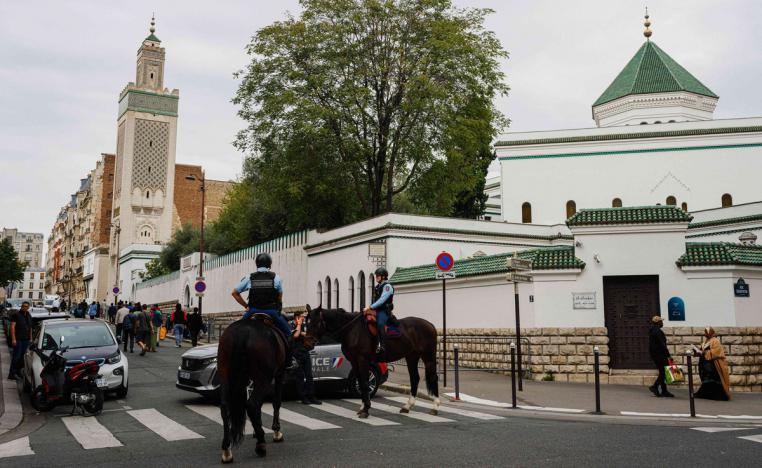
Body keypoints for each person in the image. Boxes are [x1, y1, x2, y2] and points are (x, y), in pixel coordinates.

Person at [231, 252, 294, 367]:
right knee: (288, 333)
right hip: (271, 312)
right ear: (269, 264)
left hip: (253, 311)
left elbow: (234, 293)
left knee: (236, 332)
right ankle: (289, 361)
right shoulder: (276, 278)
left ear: (257, 264)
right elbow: (279, 297)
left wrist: (246, 305)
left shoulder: (249, 278)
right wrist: (278, 307)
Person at [291, 310, 321, 405]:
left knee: (309, 375)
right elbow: (295, 335)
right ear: (297, 318)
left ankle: (311, 396)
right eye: (301, 317)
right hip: (296, 354)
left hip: (305, 352)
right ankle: (303, 397)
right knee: (300, 376)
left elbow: (308, 335)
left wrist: (302, 331)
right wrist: (299, 325)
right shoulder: (291, 325)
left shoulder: (304, 326)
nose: (303, 318)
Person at [693, 327, 732, 401]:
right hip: (705, 363)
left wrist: (705, 352)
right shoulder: (705, 342)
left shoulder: (715, 341)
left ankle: (718, 396)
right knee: (707, 378)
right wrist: (697, 351)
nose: (704, 334)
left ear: (710, 333)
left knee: (714, 378)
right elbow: (702, 351)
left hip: (713, 364)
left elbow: (717, 352)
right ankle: (706, 394)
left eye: (706, 332)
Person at [364, 267, 394, 354]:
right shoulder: (377, 287)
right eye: (376, 275)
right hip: (376, 310)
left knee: (380, 324)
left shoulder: (387, 286)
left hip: (384, 311)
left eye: (378, 276)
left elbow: (382, 300)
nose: (376, 277)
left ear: (383, 277)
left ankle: (382, 346)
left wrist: (370, 307)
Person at [648, 315, 674, 398]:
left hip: (656, 354)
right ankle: (655, 387)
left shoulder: (653, 330)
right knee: (663, 372)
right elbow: (662, 345)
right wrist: (668, 355)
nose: (662, 323)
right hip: (660, 354)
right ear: (658, 322)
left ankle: (664, 391)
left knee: (663, 372)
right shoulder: (657, 331)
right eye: (661, 321)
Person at [7, 301, 32, 380]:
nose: (24, 307)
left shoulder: (28, 315)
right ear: (21, 306)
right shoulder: (16, 315)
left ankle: (17, 372)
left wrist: (30, 338)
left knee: (22, 358)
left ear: (28, 307)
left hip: (26, 339)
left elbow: (30, 327)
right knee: (16, 357)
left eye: (26, 306)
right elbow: (12, 327)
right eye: (23, 306)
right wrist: (13, 339)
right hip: (18, 339)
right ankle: (12, 374)